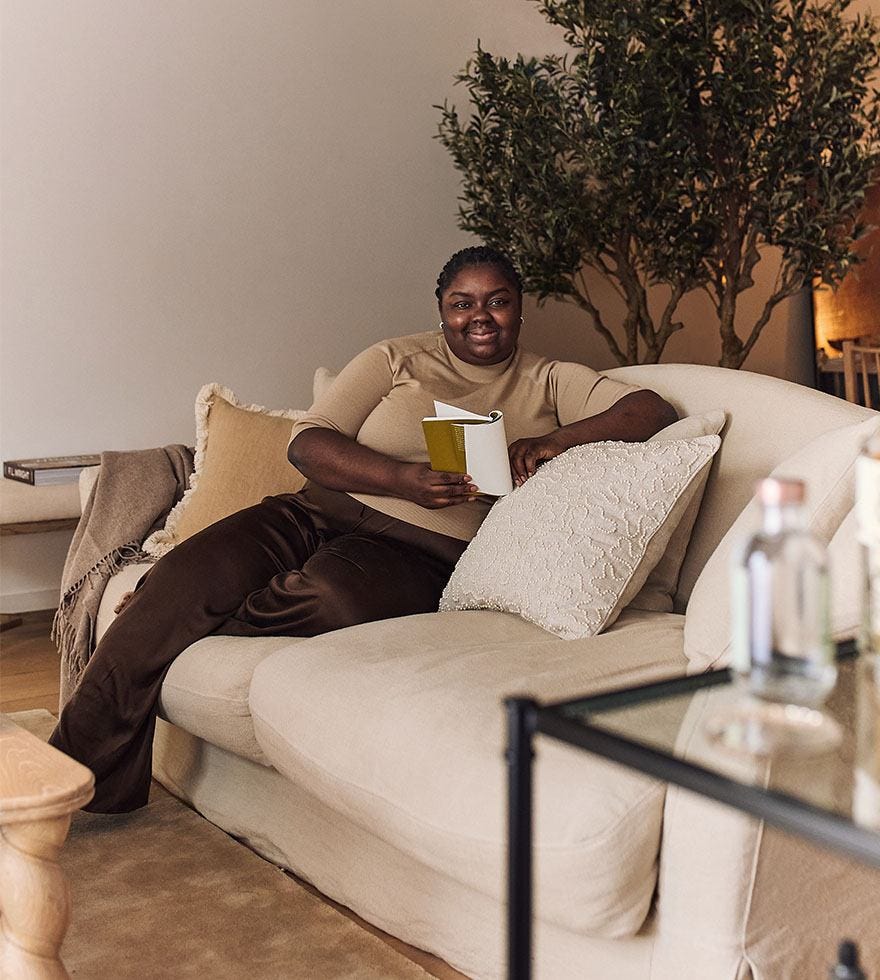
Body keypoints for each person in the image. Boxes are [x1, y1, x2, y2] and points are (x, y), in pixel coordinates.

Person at [49, 245, 677, 812]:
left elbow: (652, 410)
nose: (479, 316)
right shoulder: (395, 358)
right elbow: (308, 444)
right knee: (184, 578)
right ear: (441, 312)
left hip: (421, 553)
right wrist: (402, 478)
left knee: (325, 597)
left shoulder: (550, 380)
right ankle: (61, 782)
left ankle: (184, 613)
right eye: (462, 304)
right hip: (312, 510)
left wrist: (555, 438)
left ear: (519, 310)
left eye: (497, 302)